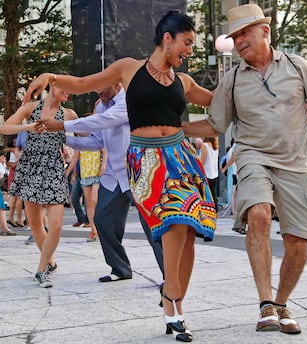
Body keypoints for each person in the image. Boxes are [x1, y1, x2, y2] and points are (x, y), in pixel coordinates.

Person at [26, 11, 215, 342]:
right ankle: (172, 299)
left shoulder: (183, 82)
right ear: (167, 38)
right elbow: (83, 83)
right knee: (175, 219)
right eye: (186, 43)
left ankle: (174, 300)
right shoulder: (129, 69)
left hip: (180, 156)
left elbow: (220, 103)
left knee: (186, 235)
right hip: (144, 158)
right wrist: (50, 76)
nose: (189, 52)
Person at [182, 4, 307, 335]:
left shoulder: (297, 65)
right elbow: (214, 123)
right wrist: (171, 130)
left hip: (295, 162)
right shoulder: (232, 78)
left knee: (298, 241)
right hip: (253, 155)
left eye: (243, 34)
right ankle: (266, 303)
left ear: (265, 32)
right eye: (234, 37)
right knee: (260, 214)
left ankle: (281, 303)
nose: (238, 42)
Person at [39, 83, 165, 283]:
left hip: (138, 173)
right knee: (103, 220)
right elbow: (96, 142)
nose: (97, 93)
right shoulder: (100, 106)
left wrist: (61, 125)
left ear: (115, 83)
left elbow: (102, 121)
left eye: (101, 88)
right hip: (113, 176)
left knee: (153, 226)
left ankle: (171, 278)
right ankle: (120, 268)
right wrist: (62, 138)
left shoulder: (128, 101)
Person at [0, 72, 77, 288]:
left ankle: (41, 269)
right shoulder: (30, 108)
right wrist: (27, 127)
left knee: (57, 225)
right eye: (66, 86)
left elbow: (86, 134)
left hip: (53, 168)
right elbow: (4, 127)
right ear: (53, 85)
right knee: (35, 224)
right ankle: (50, 261)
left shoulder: (69, 114)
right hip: (30, 167)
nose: (69, 91)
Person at [198, 136, 219, 209]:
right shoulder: (215, 147)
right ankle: (215, 210)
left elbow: (201, 162)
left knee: (205, 196)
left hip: (206, 174)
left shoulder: (205, 146)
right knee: (213, 195)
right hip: (214, 174)